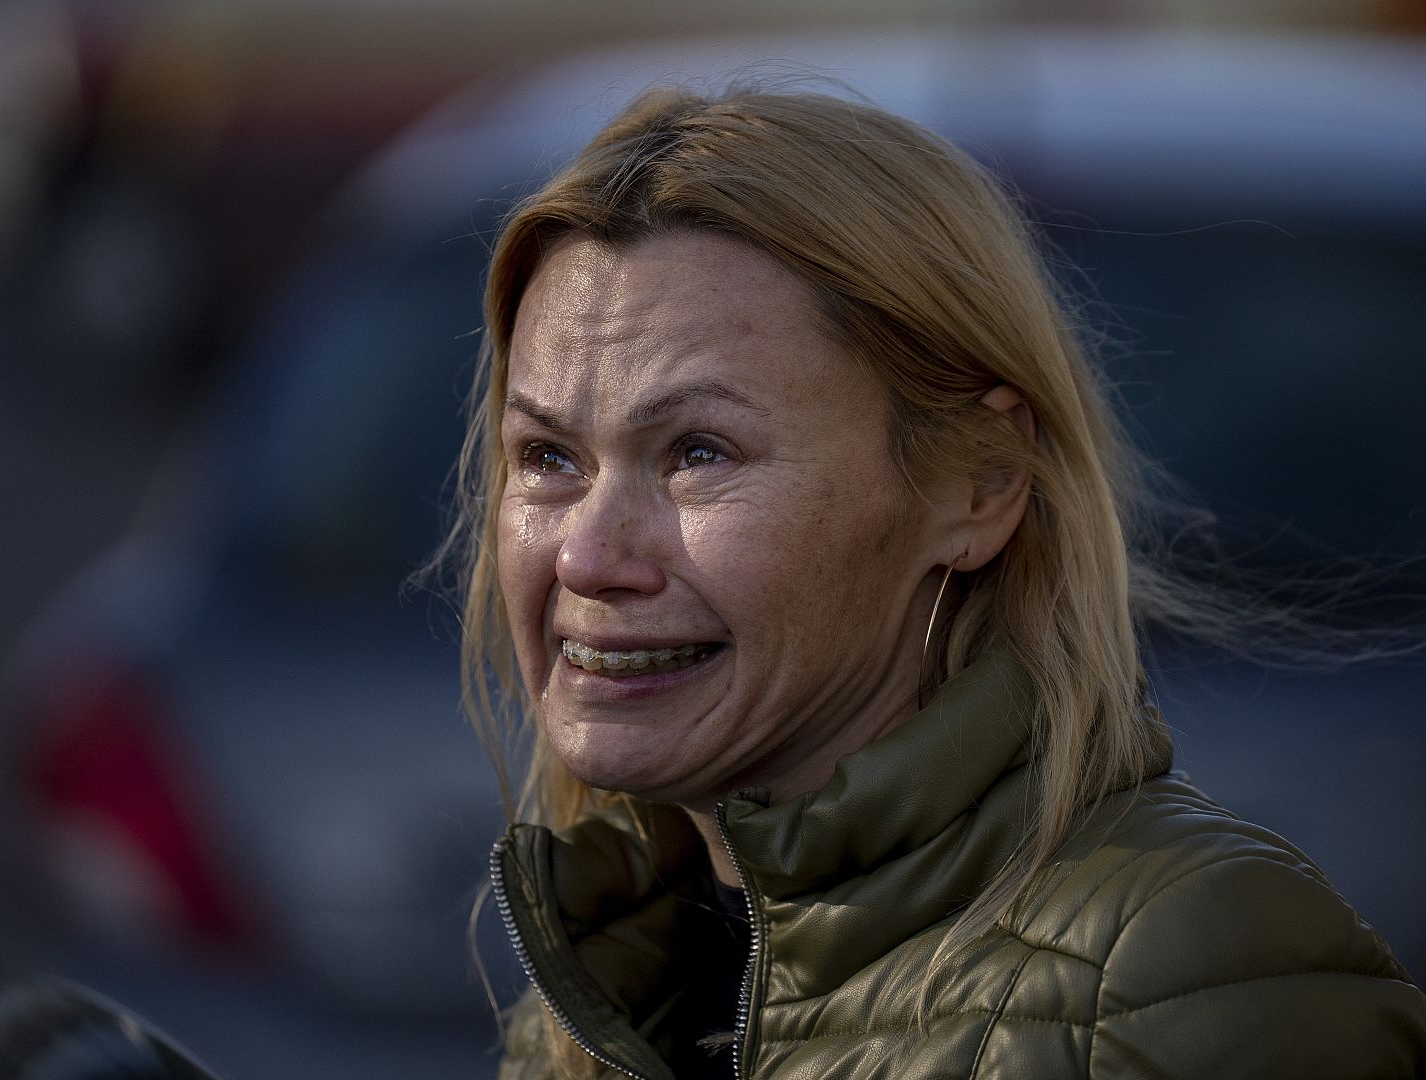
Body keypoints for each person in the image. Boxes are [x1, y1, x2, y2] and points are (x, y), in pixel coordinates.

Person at [443, 86, 1426, 1079]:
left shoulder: (1186, 977)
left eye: (698, 452)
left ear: (981, 484)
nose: (586, 557)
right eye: (549, 457)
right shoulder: (601, 1003)